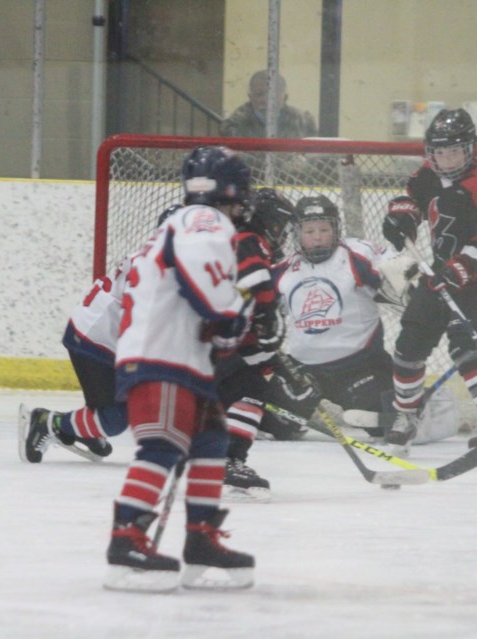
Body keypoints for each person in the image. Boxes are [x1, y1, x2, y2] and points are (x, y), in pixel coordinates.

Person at [104, 146, 255, 593]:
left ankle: (201, 540)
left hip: (180, 357)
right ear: (232, 190)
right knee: (163, 447)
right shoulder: (204, 221)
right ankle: (125, 542)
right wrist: (232, 314)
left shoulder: (183, 219)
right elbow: (206, 290)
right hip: (161, 356)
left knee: (210, 442)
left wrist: (230, 325)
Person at [381, 108, 477, 460]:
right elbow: (410, 198)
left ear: (469, 150)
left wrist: (456, 271)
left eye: (453, 151)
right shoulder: (428, 173)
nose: (446, 159)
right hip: (441, 275)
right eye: (440, 152)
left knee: (465, 346)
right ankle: (406, 416)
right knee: (409, 342)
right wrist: (402, 218)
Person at [17, 205, 184, 464]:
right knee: (115, 420)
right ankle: (47, 422)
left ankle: (86, 427)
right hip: (93, 341)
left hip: (101, 337)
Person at [271, 195, 427, 437]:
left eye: (324, 229)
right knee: (272, 427)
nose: (317, 236)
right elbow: (258, 311)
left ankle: (422, 410)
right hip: (304, 373)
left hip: (360, 368)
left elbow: (396, 268)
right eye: (309, 230)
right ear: (297, 233)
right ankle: (298, 417)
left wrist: (406, 277)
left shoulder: (357, 255)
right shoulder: (283, 270)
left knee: (385, 426)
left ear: (336, 229)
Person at [215, 188, 295, 501]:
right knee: (251, 387)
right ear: (271, 224)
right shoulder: (250, 242)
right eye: (282, 227)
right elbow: (252, 289)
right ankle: (228, 459)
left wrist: (269, 356)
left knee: (245, 381)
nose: (283, 236)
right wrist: (268, 313)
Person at [219, 70, 317, 139]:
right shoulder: (234, 124)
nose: (265, 100)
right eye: (259, 94)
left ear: (285, 98)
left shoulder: (304, 121)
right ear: (250, 97)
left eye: (272, 96)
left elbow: (312, 156)